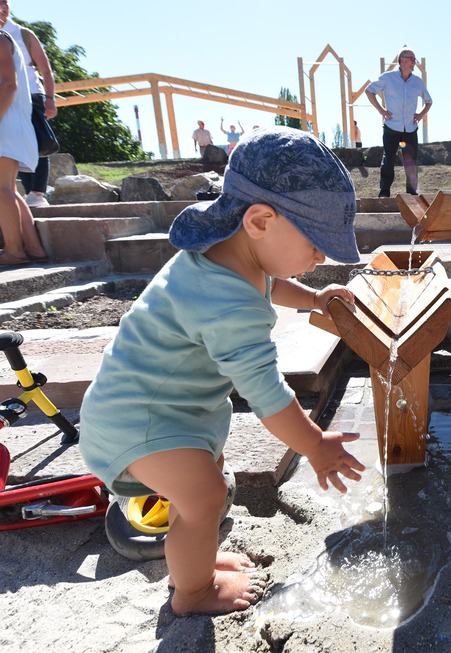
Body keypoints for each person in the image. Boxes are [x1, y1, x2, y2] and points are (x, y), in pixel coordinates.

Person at [79, 127, 366, 616]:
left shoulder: (225, 253)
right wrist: (315, 445)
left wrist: (314, 298)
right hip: (140, 423)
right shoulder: (229, 305)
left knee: (205, 488)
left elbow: (271, 282)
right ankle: (193, 593)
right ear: (260, 220)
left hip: (162, 410)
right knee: (205, 497)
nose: (320, 258)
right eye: (317, 244)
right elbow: (269, 397)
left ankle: (200, 559)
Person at [0, 1, 57, 209]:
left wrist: (50, 99)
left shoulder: (22, 33)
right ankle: (28, 192)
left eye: (5, 1)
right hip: (6, 97)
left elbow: (46, 70)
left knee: (35, 141)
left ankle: (38, 192)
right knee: (15, 144)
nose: (3, 6)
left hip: (31, 94)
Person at [0, 27, 47, 265]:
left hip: (5, 124)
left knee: (2, 190)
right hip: (11, 125)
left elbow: (10, 85)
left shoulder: (0, 39)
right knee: (9, 190)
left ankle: (14, 252)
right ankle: (33, 247)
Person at [365, 47, 432, 197]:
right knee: (388, 160)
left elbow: (428, 101)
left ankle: (412, 194)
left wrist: (420, 115)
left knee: (411, 163)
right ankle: (384, 193)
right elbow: (369, 91)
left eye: (415, 60)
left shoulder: (417, 82)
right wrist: (381, 110)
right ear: (402, 61)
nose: (414, 63)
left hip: (410, 129)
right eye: (412, 59)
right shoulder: (388, 78)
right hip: (391, 127)